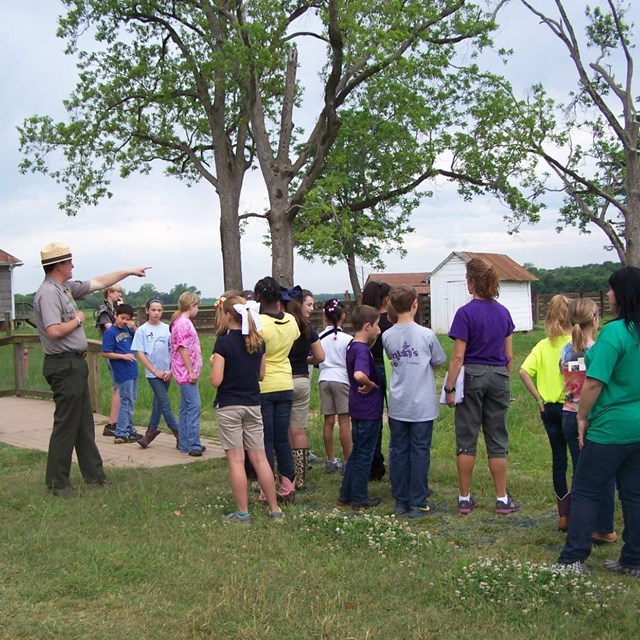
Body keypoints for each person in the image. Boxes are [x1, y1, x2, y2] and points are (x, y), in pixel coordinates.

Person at [32, 241, 150, 496]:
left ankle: (95, 476)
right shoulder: (49, 293)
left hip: (74, 363)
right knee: (67, 424)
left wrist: (129, 271)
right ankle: (57, 484)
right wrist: (77, 320)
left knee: (84, 422)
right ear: (59, 265)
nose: (73, 265)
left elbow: (99, 282)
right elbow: (53, 331)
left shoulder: (64, 287)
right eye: (69, 261)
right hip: (63, 364)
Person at [556, 267, 640, 576]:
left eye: (612, 289)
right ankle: (633, 559)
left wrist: (582, 416)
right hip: (638, 426)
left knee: (586, 490)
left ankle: (573, 558)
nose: (608, 295)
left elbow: (593, 383)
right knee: (634, 493)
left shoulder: (616, 333)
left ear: (623, 294)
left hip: (611, 427)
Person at [444, 257, 520, 516]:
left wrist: (450, 388)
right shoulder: (503, 313)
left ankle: (464, 498)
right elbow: (509, 356)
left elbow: (457, 356)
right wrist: (503, 376)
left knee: (467, 438)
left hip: (473, 375)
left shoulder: (465, 314)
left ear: (472, 282)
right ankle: (501, 498)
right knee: (497, 437)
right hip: (499, 375)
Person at [210, 295, 283, 523]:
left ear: (228, 315)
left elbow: (216, 380)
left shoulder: (223, 342)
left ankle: (242, 512)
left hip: (230, 404)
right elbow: (261, 375)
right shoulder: (257, 341)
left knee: (236, 460)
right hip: (253, 403)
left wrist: (214, 364)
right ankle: (274, 508)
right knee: (260, 458)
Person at [382, 285, 446, 518]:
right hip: (422, 405)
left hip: (398, 403)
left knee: (398, 451)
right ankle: (418, 501)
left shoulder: (387, 335)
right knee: (419, 451)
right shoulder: (426, 334)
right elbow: (438, 360)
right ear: (415, 304)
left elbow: (391, 357)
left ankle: (400, 500)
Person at [560, 297, 616, 542]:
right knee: (603, 474)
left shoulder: (565, 350)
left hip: (568, 413)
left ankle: (576, 518)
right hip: (591, 417)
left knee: (579, 471)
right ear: (595, 318)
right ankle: (603, 526)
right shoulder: (598, 349)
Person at [519, 295, 572, 530]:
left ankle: (563, 514)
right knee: (579, 460)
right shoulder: (576, 343)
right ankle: (581, 510)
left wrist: (538, 398)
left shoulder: (542, 345)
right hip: (570, 407)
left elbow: (523, 371)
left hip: (548, 408)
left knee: (558, 460)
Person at [254, 276, 300, 502]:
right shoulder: (291, 321)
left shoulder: (258, 323)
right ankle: (288, 485)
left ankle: (266, 488)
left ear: (258, 298)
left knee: (266, 439)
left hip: (263, 384)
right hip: (285, 381)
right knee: (283, 437)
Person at [338, 305, 383, 512]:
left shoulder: (351, 345)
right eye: (377, 326)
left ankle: (346, 494)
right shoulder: (363, 351)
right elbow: (358, 375)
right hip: (368, 409)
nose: (379, 330)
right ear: (367, 326)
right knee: (365, 453)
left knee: (356, 452)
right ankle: (360, 497)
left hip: (356, 406)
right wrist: (371, 384)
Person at [282, 286, 325, 490]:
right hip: (301, 378)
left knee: (281, 430)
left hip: (281, 379)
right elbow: (320, 357)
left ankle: (285, 474)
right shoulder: (308, 328)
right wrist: (306, 359)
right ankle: (300, 478)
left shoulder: (282, 326)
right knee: (298, 429)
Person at [131, 298, 180, 449]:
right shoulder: (142, 330)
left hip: (167, 372)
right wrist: (154, 370)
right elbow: (140, 353)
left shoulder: (167, 329)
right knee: (165, 403)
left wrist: (171, 370)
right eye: (153, 310)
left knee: (158, 402)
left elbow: (175, 350)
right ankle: (179, 434)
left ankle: (149, 434)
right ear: (147, 311)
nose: (156, 313)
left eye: (159, 310)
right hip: (153, 374)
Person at [361, 280, 393, 481]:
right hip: (389, 369)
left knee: (373, 419)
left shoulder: (368, 321)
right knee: (395, 416)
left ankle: (375, 464)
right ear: (387, 299)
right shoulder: (391, 321)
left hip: (370, 369)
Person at [318, 299, 353, 473]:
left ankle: (330, 459)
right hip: (342, 378)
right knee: (344, 421)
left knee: (329, 420)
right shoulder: (348, 339)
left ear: (325, 317)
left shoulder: (319, 338)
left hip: (324, 377)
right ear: (343, 317)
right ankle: (348, 460)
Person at [101, 303, 143, 444]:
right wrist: (123, 356)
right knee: (126, 401)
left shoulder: (128, 329)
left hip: (132, 369)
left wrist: (134, 327)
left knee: (132, 400)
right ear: (115, 316)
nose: (123, 321)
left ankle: (130, 430)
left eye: (127, 319)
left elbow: (139, 338)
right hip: (122, 371)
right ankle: (121, 432)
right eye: (122, 318)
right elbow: (105, 353)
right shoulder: (110, 333)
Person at [170, 291, 205, 456]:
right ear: (191, 305)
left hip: (184, 372)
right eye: (196, 305)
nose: (197, 309)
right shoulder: (183, 323)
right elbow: (183, 348)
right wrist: (191, 370)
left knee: (185, 407)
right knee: (194, 406)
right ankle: (193, 443)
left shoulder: (181, 322)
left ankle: (184, 443)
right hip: (185, 373)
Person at [96, 284, 124, 437]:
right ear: (109, 292)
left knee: (119, 387)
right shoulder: (104, 311)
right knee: (118, 387)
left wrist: (122, 310)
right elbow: (111, 330)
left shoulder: (115, 310)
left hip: (120, 351)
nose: (119, 295)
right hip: (112, 351)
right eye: (117, 292)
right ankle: (112, 423)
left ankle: (116, 421)